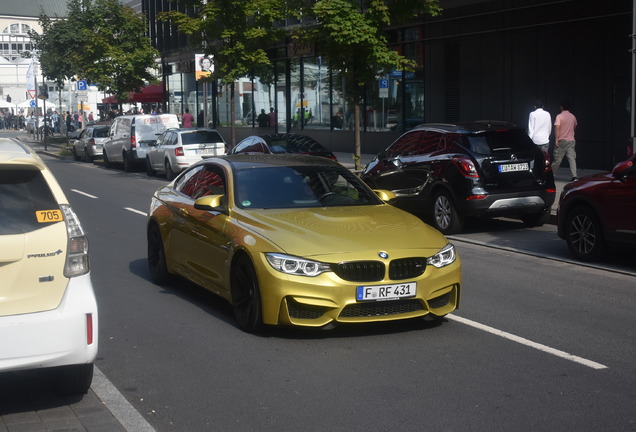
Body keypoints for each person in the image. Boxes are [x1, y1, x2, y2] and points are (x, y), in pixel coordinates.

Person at [552, 101, 578, 181]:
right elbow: (574, 127)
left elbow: (557, 128)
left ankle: (550, 174)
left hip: (562, 141)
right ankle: (574, 176)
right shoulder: (572, 116)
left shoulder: (559, 116)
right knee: (572, 159)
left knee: (557, 160)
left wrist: (556, 139)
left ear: (562, 107)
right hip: (571, 141)